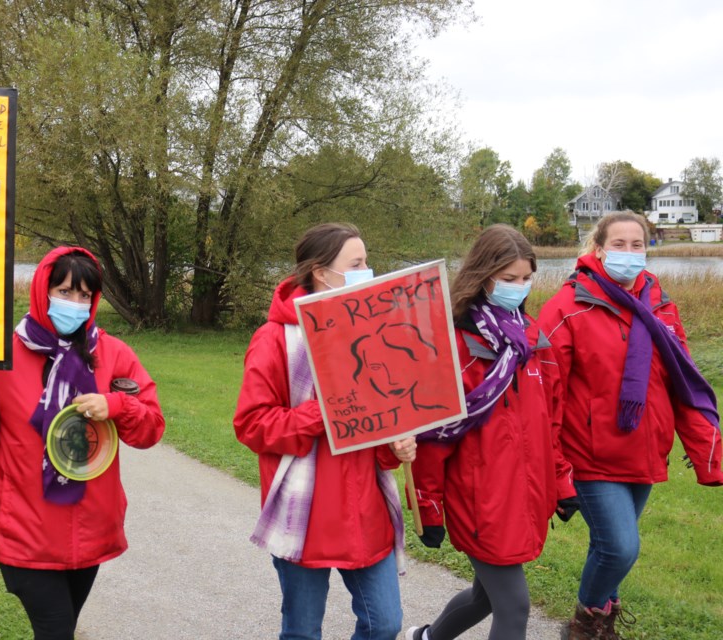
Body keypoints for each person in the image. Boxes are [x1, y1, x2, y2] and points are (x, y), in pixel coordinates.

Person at [0, 246, 165, 639]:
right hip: (28, 533)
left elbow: (150, 428)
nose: (75, 304)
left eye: (84, 296)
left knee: (61, 629)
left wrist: (115, 405)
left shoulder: (111, 354)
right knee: (56, 631)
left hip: (91, 530)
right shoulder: (3, 358)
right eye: (64, 291)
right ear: (43, 292)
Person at [537, 212, 723, 639]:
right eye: (618, 244)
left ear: (647, 249)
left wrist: (708, 454)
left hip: (643, 448)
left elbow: (685, 383)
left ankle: (603, 625)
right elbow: (546, 396)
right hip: (590, 454)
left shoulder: (659, 305)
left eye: (636, 244)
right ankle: (584, 626)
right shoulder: (568, 306)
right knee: (621, 547)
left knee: (608, 548)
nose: (628, 252)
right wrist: (556, 469)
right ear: (598, 249)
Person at [233, 222, 418, 640]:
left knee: (384, 623)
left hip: (366, 511)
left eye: (366, 262)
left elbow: (381, 425)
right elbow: (251, 424)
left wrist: (396, 446)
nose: (367, 271)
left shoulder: (374, 334)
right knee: (302, 632)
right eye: (357, 263)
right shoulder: (274, 339)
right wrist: (327, 410)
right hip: (305, 516)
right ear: (321, 272)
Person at [404, 225, 575, 640]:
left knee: (486, 597)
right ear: (483, 277)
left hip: (523, 496)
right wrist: (428, 507)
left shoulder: (534, 340)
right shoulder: (454, 345)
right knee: (514, 608)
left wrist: (562, 482)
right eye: (509, 279)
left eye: (527, 278)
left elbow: (548, 424)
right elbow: (433, 437)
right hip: (479, 500)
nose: (520, 287)